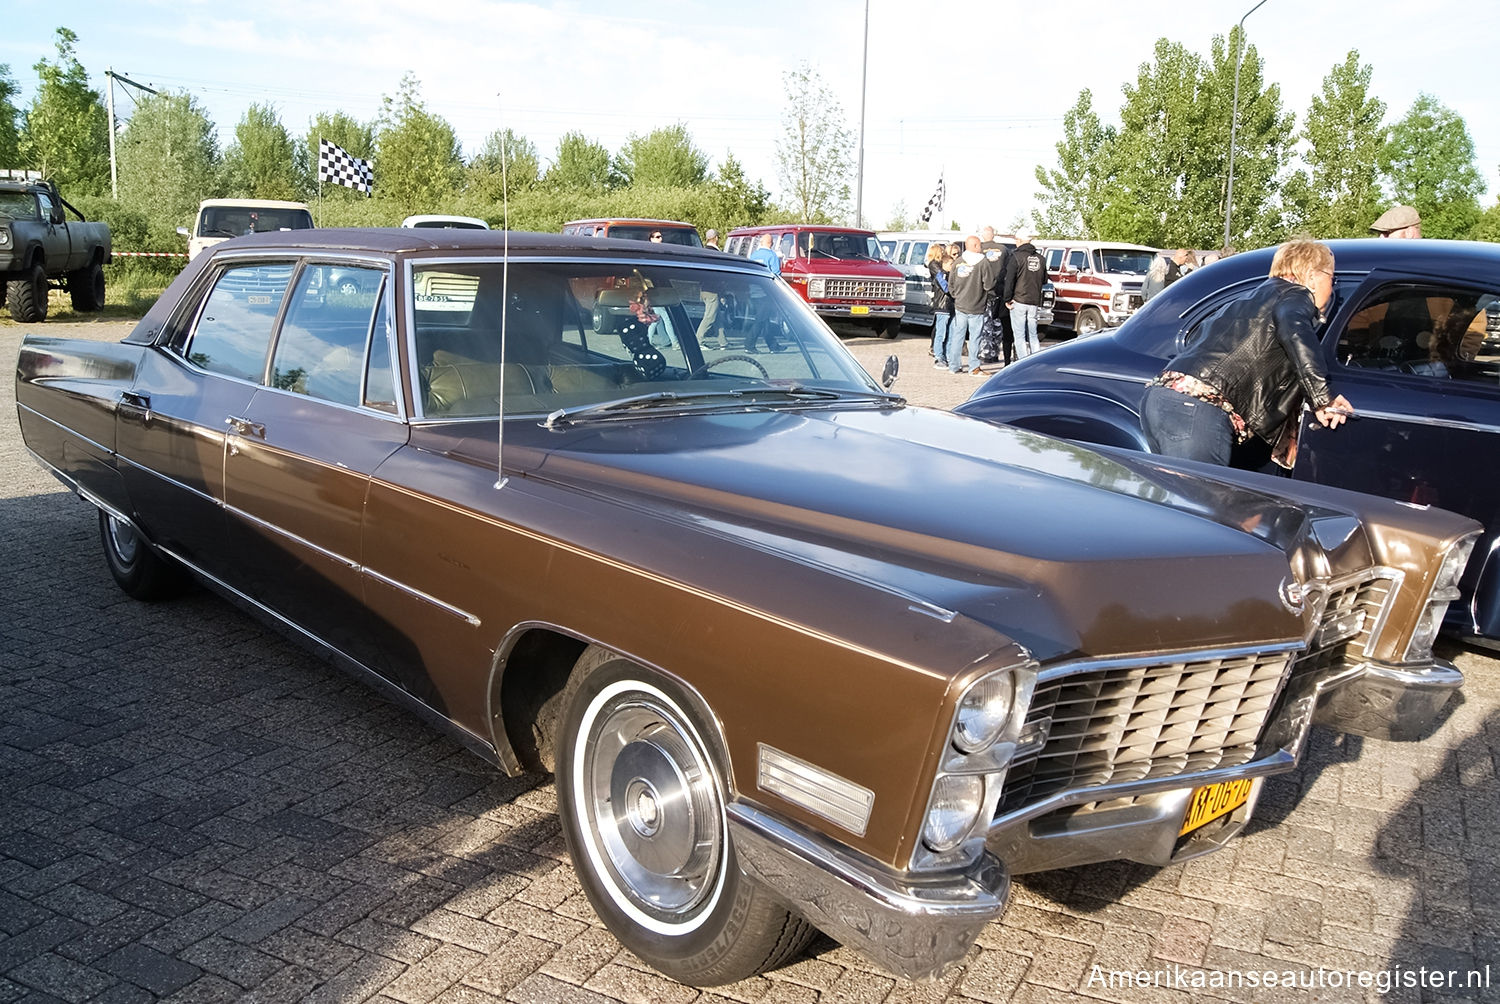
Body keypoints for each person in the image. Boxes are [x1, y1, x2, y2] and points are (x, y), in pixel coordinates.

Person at [1139, 239, 1353, 469]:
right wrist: (1322, 399)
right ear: (1311, 277)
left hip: (1162, 397)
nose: (1333, 288)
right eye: (1332, 277)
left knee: (1178, 500)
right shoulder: (1296, 295)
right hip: (1195, 409)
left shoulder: (1252, 297)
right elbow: (1294, 328)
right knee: (1202, 498)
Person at [948, 235, 997, 375]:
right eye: (979, 245)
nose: (981, 247)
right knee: (975, 337)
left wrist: (956, 296)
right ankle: (973, 367)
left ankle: (954, 366)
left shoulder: (958, 262)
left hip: (960, 305)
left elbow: (951, 283)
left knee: (958, 336)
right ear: (975, 245)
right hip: (977, 306)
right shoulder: (983, 263)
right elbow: (989, 284)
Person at [1003, 229, 1048, 358]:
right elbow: (1045, 280)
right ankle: (1036, 359)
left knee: (1020, 336)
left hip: (1019, 300)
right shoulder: (1041, 258)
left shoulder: (1016, 257)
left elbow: (1009, 280)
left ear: (1020, 241)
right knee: (1033, 335)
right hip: (1034, 301)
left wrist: (1007, 298)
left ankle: (1023, 362)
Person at [978, 226, 1014, 365]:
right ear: (993, 235)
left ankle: (985, 353)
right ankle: (994, 352)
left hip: (984, 291)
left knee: (985, 324)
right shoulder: (1004, 249)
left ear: (983, 235)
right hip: (1000, 291)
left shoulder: (978, 248)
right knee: (998, 324)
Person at [745, 234, 784, 352]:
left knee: (765, 320)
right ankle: (749, 345)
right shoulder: (772, 256)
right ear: (771, 243)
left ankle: (773, 346)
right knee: (761, 320)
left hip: (754, 291)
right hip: (766, 293)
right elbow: (775, 275)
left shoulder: (753, 255)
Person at [926, 243, 955, 369]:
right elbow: (944, 285)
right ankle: (939, 357)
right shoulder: (935, 266)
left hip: (950, 304)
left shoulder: (941, 267)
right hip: (942, 304)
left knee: (950, 332)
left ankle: (947, 356)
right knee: (941, 332)